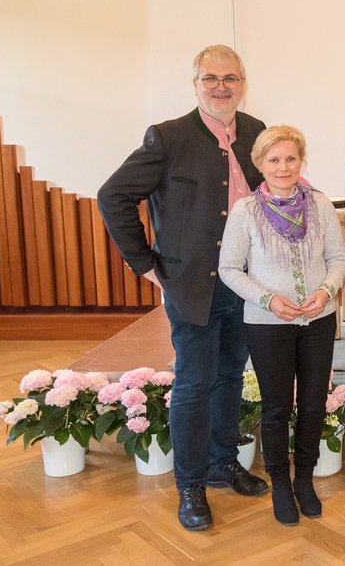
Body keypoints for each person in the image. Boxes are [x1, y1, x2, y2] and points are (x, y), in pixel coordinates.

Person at [98, 45, 269, 531]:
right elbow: (113, 195)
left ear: (243, 83)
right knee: (194, 384)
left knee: (230, 375)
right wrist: (145, 264)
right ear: (195, 84)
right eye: (211, 78)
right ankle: (190, 484)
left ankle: (221, 462)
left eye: (230, 78)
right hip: (192, 285)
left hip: (245, 284)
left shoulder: (255, 131)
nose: (221, 87)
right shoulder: (168, 137)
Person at [218, 126, 345, 526]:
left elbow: (338, 259)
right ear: (260, 164)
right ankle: (279, 483)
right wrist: (269, 300)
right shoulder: (245, 211)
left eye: (291, 158)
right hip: (267, 323)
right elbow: (229, 269)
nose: (283, 167)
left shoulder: (320, 204)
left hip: (318, 320)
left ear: (301, 161)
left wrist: (326, 292)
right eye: (273, 159)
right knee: (276, 408)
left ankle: (304, 479)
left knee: (312, 405)